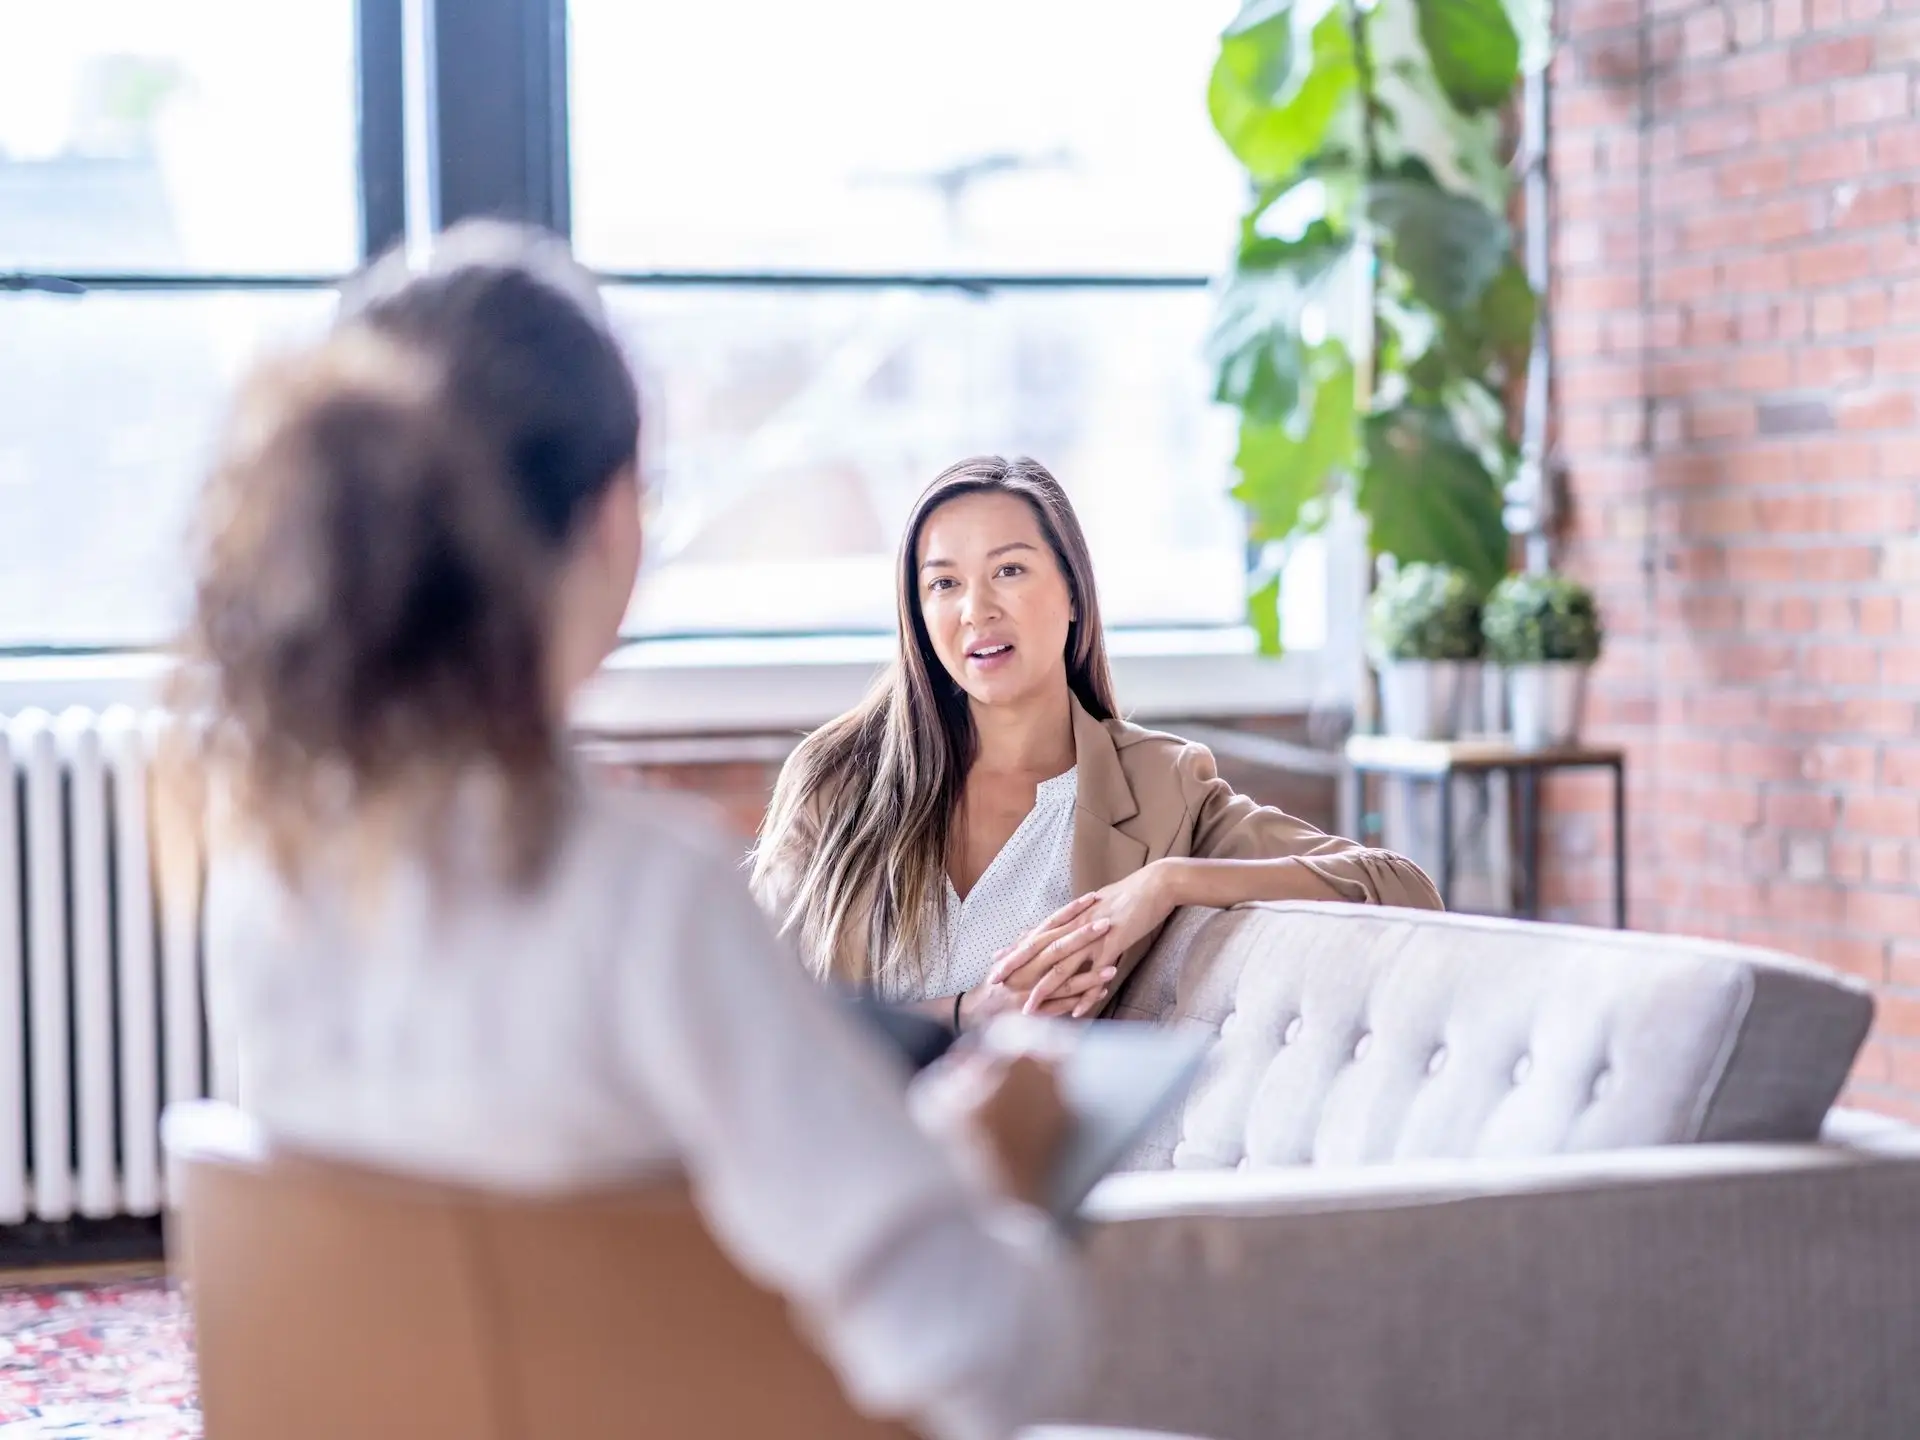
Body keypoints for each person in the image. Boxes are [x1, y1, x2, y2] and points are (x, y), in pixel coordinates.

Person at [171, 222, 1084, 1440]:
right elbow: (988, 1356)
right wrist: (985, 1172)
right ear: (611, 518)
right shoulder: (646, 896)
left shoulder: (267, 876)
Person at [751, 456, 1442, 1029]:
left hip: (1046, 1172)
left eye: (1010, 570)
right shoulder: (837, 779)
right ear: (919, 613)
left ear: (1074, 592)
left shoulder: (1159, 785)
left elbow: (1401, 887)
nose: (977, 608)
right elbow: (749, 1008)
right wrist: (967, 1014)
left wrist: (1168, 881)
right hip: (853, 1160)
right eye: (944, 583)